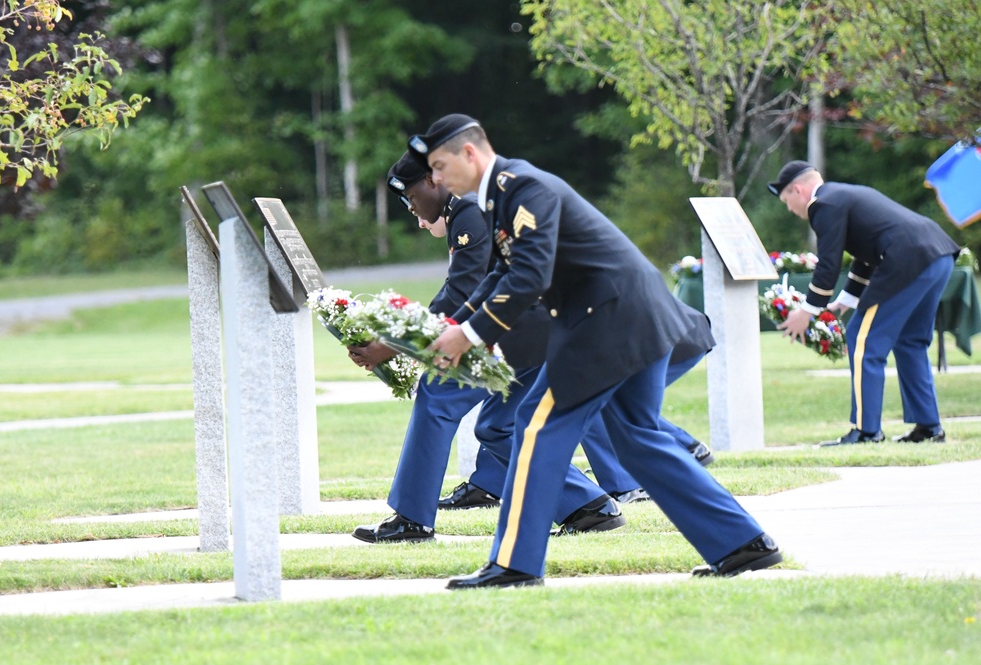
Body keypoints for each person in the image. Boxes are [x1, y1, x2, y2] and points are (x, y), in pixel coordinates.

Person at [410, 114, 780, 588]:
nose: (436, 180)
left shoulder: (521, 187)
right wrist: (459, 325)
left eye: (439, 166)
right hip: (630, 316)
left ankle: (514, 564)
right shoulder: (503, 197)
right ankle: (743, 544)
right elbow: (502, 277)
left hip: (605, 320)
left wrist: (470, 335)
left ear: (470, 153)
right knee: (638, 439)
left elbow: (530, 277)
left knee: (535, 427)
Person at [349, 151, 631, 543]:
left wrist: (395, 344)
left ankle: (411, 519)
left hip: (523, 328)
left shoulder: (465, 210)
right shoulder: (469, 208)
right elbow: (470, 290)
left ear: (433, 181)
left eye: (410, 196)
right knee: (498, 427)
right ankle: (589, 507)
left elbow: (460, 294)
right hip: (541, 329)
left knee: (436, 395)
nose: (410, 208)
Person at [768, 160, 960, 446]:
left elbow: (828, 265)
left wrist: (807, 311)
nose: (790, 209)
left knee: (862, 340)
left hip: (909, 259)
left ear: (798, 190)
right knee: (909, 342)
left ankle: (866, 431)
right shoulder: (842, 195)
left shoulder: (823, 204)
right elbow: (866, 254)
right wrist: (844, 301)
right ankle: (929, 427)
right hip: (938, 255)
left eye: (787, 201)